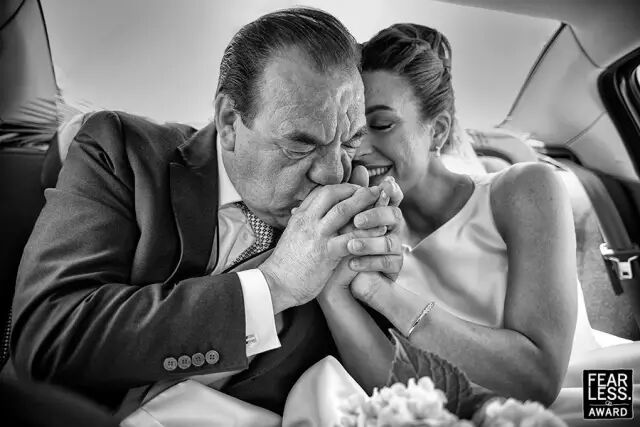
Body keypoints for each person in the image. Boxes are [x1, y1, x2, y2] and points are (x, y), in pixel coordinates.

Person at [9, 8, 404, 416]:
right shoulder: (122, 153)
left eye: (350, 142)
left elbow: (392, 398)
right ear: (230, 121)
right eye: (300, 145)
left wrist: (354, 289)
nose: (333, 173)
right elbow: (48, 340)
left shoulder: (349, 211)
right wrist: (273, 286)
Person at [318, 23, 587, 406]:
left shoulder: (525, 189)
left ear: (439, 130)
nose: (359, 149)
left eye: (381, 125)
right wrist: (334, 292)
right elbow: (389, 395)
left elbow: (539, 380)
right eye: (353, 131)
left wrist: (380, 292)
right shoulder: (359, 230)